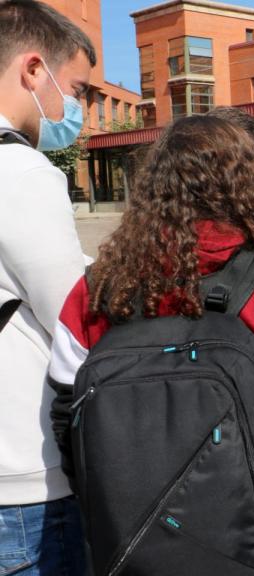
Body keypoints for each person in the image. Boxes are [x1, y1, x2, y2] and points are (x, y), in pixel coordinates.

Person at [47, 116, 254, 575]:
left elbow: (67, 417)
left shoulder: (98, 288)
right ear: (251, 182)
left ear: (152, 186)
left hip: (137, 526)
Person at [0, 1, 95, 573]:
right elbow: (77, 318)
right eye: (77, 88)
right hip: (23, 480)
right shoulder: (22, 173)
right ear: (34, 70)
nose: (77, 108)